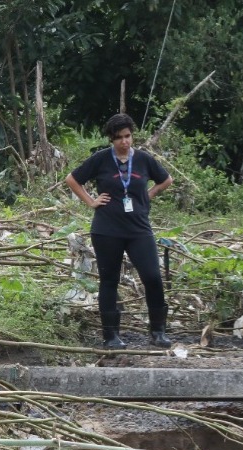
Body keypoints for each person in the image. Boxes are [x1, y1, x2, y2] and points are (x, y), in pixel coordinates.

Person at [65, 113, 174, 349]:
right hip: (107, 228)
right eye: (119, 138)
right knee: (109, 280)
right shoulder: (101, 159)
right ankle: (111, 336)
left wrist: (148, 195)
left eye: (128, 136)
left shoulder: (144, 159)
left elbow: (166, 180)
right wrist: (91, 201)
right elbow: (72, 179)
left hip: (138, 229)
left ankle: (158, 331)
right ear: (111, 139)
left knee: (152, 277)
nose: (124, 142)